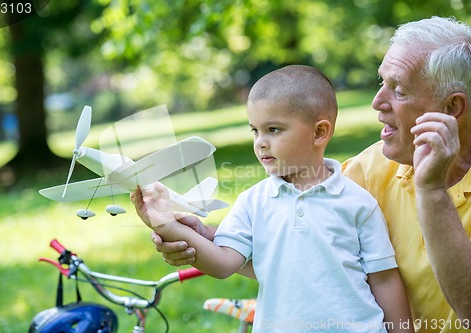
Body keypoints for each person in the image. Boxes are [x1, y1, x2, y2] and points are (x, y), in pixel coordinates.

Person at [148, 16, 471, 332]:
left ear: (452, 107)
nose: (376, 102)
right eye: (380, 82)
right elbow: (314, 250)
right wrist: (207, 239)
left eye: (398, 89)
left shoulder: (359, 198)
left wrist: (431, 191)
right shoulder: (367, 171)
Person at [133, 65, 413, 332]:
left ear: (319, 132)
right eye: (255, 130)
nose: (260, 142)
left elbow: (384, 280)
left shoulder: (357, 203)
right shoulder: (253, 201)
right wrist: (168, 226)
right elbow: (223, 262)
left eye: (273, 130)